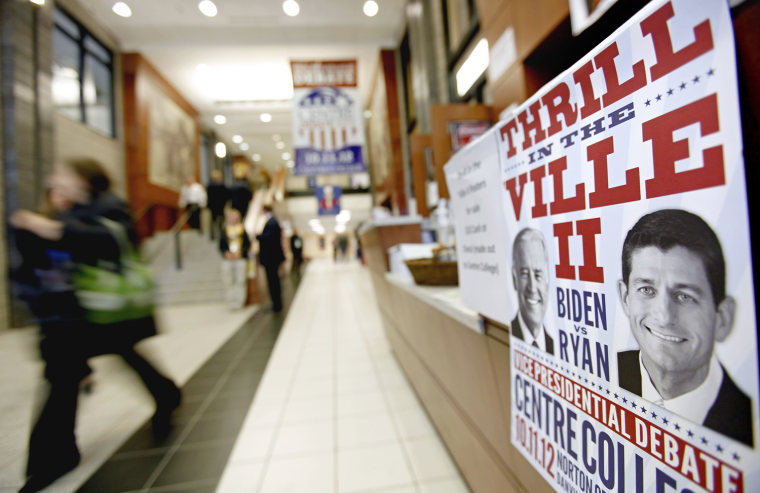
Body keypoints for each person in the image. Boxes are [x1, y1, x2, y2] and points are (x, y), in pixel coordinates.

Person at [10, 159, 181, 493]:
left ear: (84, 180)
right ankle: (54, 458)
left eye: (64, 176)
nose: (56, 181)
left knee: (115, 356)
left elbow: (111, 240)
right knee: (65, 378)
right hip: (68, 317)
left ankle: (165, 392)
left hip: (103, 308)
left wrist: (55, 229)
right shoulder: (58, 212)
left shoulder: (107, 207)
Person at [616, 209, 752, 446]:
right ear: (626, 298)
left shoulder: (747, 425)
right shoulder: (604, 374)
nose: (664, 316)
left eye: (684, 296)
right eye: (647, 290)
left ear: (722, 317)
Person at [510, 228, 554, 355]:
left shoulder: (556, 348)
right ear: (514, 278)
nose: (532, 287)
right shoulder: (514, 338)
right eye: (524, 274)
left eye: (538, 274)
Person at [219, 208, 251, 309]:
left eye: (235, 217)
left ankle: (239, 302)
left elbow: (247, 244)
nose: (233, 219)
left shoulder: (242, 229)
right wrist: (225, 253)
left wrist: (242, 252)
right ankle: (230, 302)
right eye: (231, 217)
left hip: (240, 258)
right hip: (228, 260)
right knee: (228, 281)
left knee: (240, 281)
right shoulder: (225, 230)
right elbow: (221, 245)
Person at [256, 204, 285, 312]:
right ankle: (275, 304)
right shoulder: (272, 221)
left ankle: (276, 305)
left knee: (273, 281)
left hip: (271, 258)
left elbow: (269, 238)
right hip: (272, 257)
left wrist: (258, 236)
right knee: (272, 281)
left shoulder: (272, 222)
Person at [206, 170, 229, 241]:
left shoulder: (209, 186)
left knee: (213, 220)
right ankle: (221, 234)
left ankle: (213, 235)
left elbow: (208, 196)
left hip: (213, 205)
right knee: (221, 219)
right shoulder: (222, 186)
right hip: (220, 205)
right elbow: (226, 196)